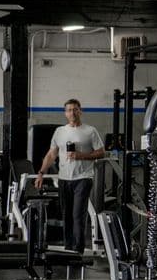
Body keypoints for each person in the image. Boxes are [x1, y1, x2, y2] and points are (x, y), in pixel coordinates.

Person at [36, 98, 107, 252]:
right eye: (69, 110)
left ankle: (78, 249)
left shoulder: (90, 131)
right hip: (64, 179)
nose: (72, 113)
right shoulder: (60, 132)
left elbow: (101, 152)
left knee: (77, 215)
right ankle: (68, 248)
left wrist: (81, 156)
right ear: (65, 113)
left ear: (80, 111)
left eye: (75, 109)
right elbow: (51, 155)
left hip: (83, 178)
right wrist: (41, 173)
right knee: (66, 215)